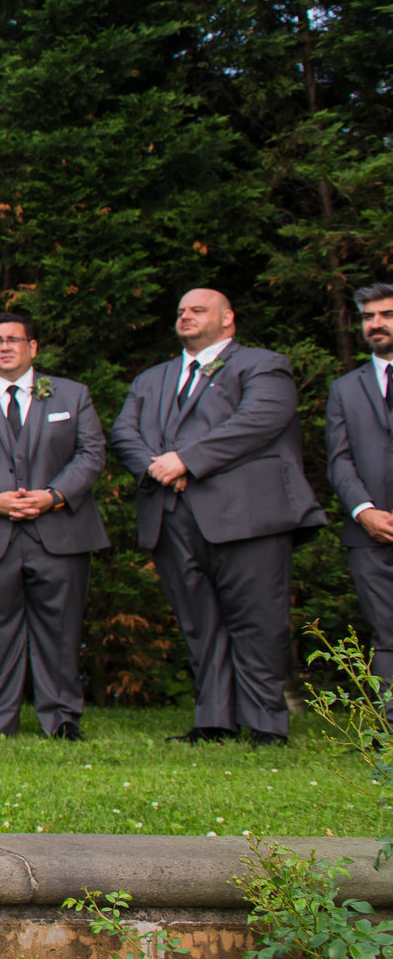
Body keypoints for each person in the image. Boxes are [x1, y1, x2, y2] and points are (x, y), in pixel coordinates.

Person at [109, 288, 323, 746]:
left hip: (246, 514)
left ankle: (266, 723)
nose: (185, 316)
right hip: (173, 515)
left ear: (228, 319)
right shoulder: (152, 379)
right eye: (181, 310)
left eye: (197, 310)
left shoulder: (263, 366)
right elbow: (125, 432)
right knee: (198, 621)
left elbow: (258, 422)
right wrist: (158, 467)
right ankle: (213, 719)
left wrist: (186, 460)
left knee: (258, 620)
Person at [0, 311, 109, 740]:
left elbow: (90, 454)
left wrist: (54, 495)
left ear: (33, 347)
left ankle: (63, 718)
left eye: (14, 339)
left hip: (60, 532)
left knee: (62, 631)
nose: (5, 346)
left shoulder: (72, 395)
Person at [323, 282, 393, 696]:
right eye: (369, 317)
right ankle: (389, 729)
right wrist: (363, 510)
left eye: (386, 314)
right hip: (369, 532)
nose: (377, 324)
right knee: (386, 629)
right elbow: (339, 459)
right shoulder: (344, 389)